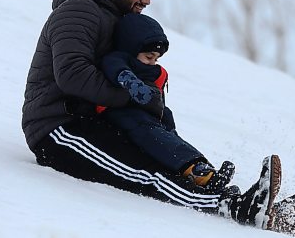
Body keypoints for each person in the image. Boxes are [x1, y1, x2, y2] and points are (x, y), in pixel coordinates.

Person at [22, 0, 282, 229]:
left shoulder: (116, 18)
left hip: (98, 119)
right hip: (58, 129)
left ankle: (254, 206)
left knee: (165, 158)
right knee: (145, 174)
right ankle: (233, 208)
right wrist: (129, 98)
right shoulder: (79, 10)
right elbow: (73, 74)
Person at [99, 12, 233, 191]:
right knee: (154, 137)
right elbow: (116, 69)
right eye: (149, 57)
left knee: (170, 140)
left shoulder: (155, 72)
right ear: (131, 48)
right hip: (122, 116)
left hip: (150, 120)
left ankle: (204, 171)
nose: (153, 62)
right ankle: (199, 174)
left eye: (156, 58)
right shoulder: (119, 60)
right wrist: (132, 83)